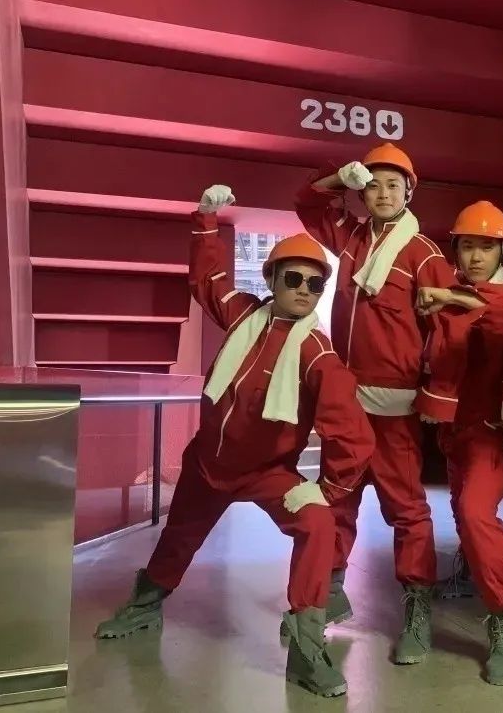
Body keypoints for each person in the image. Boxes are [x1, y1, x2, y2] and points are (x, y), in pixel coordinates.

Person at [94, 185, 376, 699]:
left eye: (316, 284)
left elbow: (354, 437)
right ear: (271, 279)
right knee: (179, 537)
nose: (305, 290)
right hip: (207, 463)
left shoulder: (318, 355)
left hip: (268, 473)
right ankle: (146, 604)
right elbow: (208, 281)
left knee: (317, 524)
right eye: (294, 278)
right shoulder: (245, 315)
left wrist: (327, 491)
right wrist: (206, 220)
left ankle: (306, 645)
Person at [295, 142, 457, 664]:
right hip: (347, 397)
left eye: (393, 184)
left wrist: (436, 395)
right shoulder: (351, 237)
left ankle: (417, 606)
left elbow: (449, 328)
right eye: (373, 185)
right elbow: (307, 204)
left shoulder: (423, 253)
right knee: (337, 498)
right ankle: (329, 591)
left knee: (405, 508)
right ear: (361, 193)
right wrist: (337, 180)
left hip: (395, 404)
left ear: (409, 193)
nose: (383, 193)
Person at [413, 201, 503, 685]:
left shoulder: (501, 298)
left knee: (477, 513)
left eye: (486, 247)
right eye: (467, 246)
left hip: (487, 430)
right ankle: (468, 572)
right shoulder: (450, 296)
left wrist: (446, 296)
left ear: (502, 252)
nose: (476, 256)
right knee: (462, 511)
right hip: (451, 427)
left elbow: (500, 310)